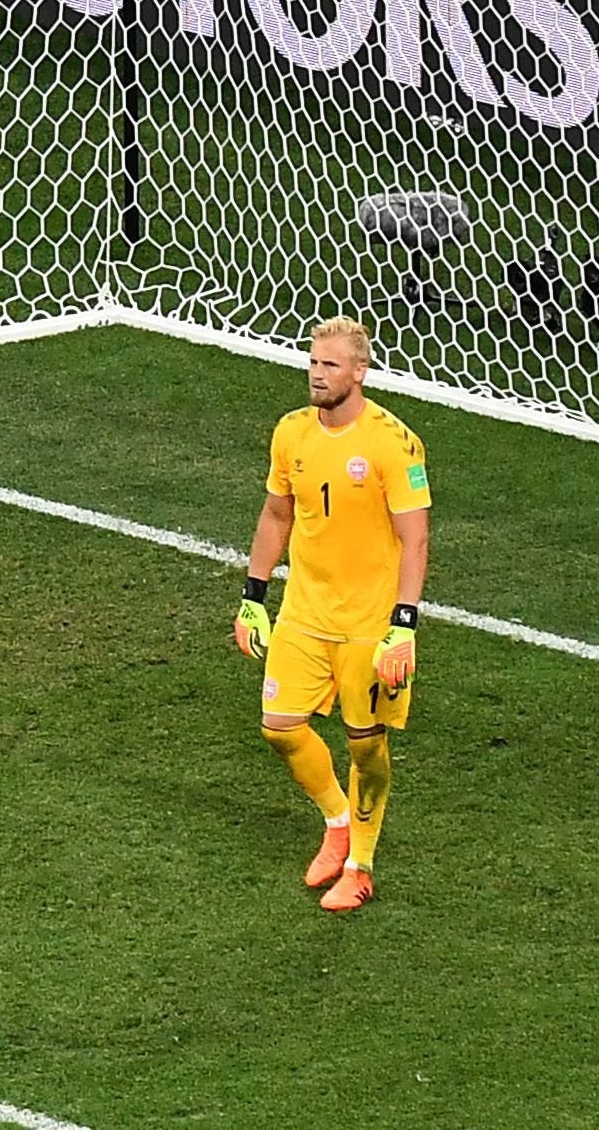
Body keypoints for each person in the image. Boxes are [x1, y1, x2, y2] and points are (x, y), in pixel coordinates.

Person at [233, 317, 430, 911]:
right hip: (305, 613)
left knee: (364, 748)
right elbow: (276, 516)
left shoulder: (394, 444)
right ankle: (337, 820)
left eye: (330, 365)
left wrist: (404, 627)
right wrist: (253, 595)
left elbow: (414, 540)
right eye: (313, 363)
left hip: (369, 625)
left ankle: (360, 865)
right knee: (279, 727)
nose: (317, 374)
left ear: (359, 371)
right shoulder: (291, 433)